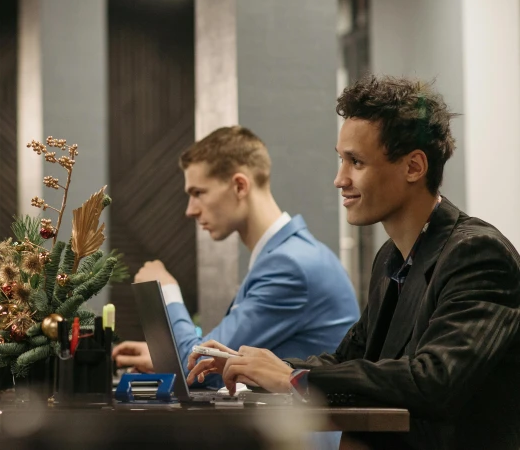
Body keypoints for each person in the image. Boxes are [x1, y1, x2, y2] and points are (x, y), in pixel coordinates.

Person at [188, 76, 520, 450]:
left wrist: (295, 378)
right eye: (341, 159)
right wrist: (253, 368)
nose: (339, 179)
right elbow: (348, 359)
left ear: (413, 167)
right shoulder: (391, 259)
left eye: (356, 162)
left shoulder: (478, 253)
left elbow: (434, 380)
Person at [112, 126, 360, 386]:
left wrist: (166, 291)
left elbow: (197, 367)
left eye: (198, 193)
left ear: (240, 185)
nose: (190, 210)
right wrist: (163, 358)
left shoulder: (290, 266)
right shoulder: (289, 256)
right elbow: (219, 365)